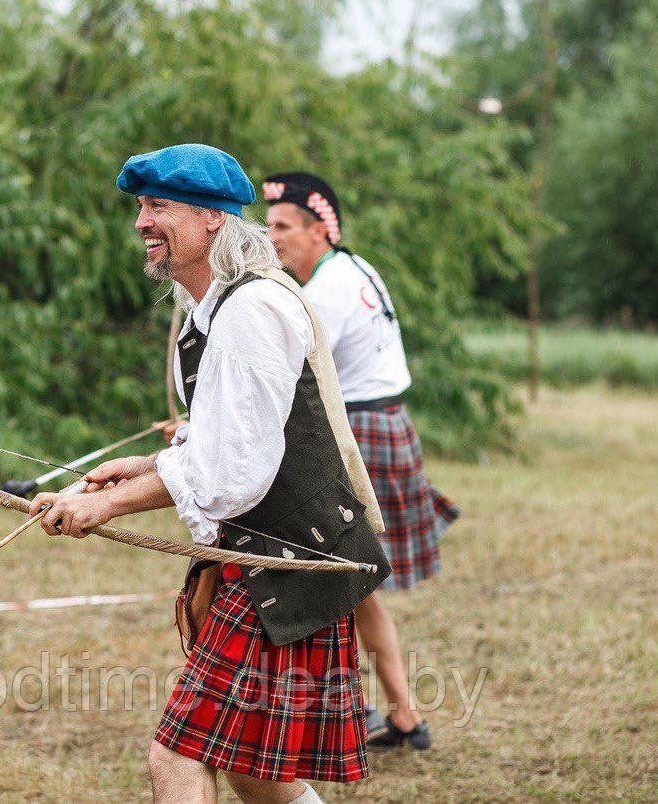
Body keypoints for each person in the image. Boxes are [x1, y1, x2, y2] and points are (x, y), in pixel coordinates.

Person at [29, 144, 392, 802]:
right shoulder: (216, 308)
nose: (142, 221)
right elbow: (229, 435)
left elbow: (233, 476)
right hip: (273, 554)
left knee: (178, 755)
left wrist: (105, 507)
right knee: (254, 769)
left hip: (290, 559)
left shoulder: (251, 312)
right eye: (141, 206)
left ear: (213, 218)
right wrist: (141, 466)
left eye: (158, 205)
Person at [262, 171, 460, 750]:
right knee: (353, 585)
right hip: (382, 424)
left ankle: (360, 713)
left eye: (282, 226)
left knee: (340, 581)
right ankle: (399, 717)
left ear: (319, 230)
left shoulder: (325, 290)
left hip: (362, 430)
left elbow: (292, 380)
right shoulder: (355, 266)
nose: (270, 237)